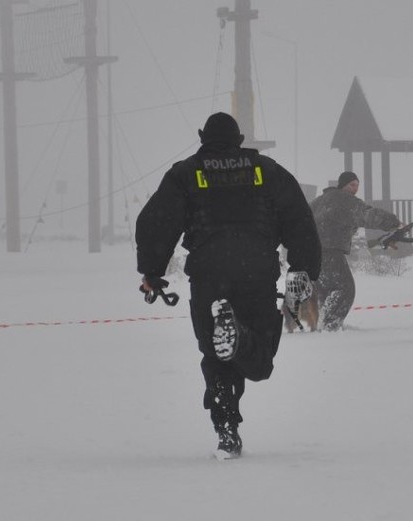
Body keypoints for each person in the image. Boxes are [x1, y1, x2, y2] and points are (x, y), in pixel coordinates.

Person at [135, 112, 320, 459]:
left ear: (202, 136)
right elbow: (299, 220)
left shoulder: (185, 174)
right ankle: (240, 337)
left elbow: (156, 223)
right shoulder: (268, 171)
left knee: (216, 356)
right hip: (257, 273)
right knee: (259, 362)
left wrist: (152, 271)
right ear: (239, 139)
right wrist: (302, 269)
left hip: (208, 276)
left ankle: (227, 432)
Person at [309, 171, 401, 331]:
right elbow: (365, 214)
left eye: (357, 185)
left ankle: (324, 326)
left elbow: (301, 218)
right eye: (352, 185)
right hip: (328, 251)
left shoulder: (319, 201)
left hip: (312, 252)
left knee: (326, 290)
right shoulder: (344, 200)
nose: (355, 189)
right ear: (343, 185)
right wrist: (392, 221)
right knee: (345, 288)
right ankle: (330, 326)